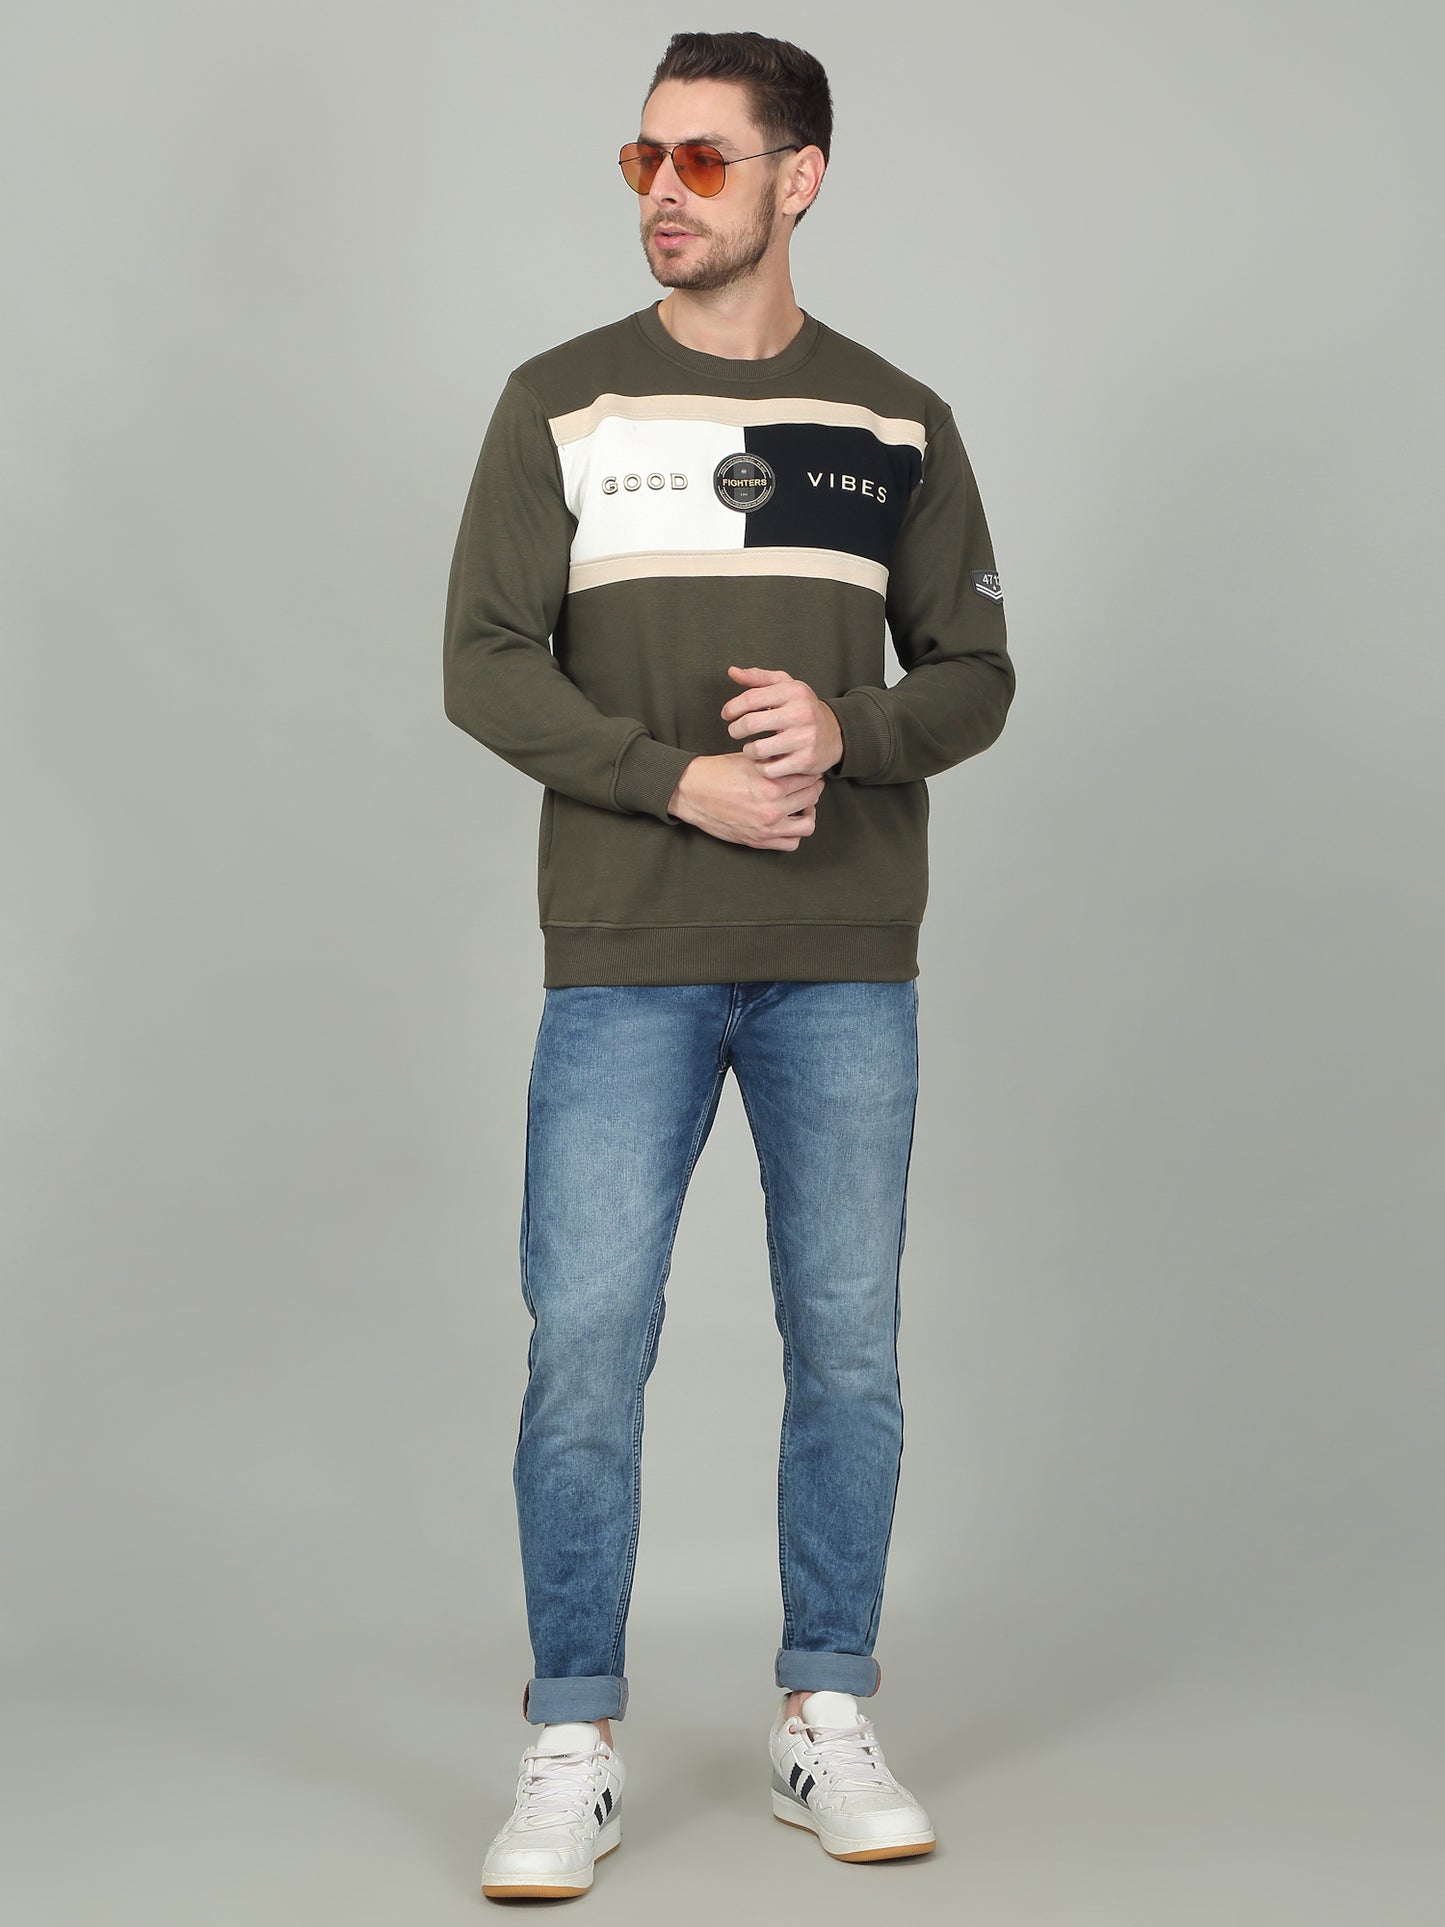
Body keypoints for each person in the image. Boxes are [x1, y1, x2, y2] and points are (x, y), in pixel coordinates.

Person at [442, 29, 1016, 1901]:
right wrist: (670, 777)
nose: (665, 192)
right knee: (585, 1346)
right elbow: (483, 662)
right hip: (622, 951)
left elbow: (974, 675)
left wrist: (851, 733)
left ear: (799, 177)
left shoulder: (897, 421)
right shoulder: (559, 404)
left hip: (842, 959)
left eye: (703, 158)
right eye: (644, 159)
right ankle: (571, 1742)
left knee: (845, 1348)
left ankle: (821, 1715)